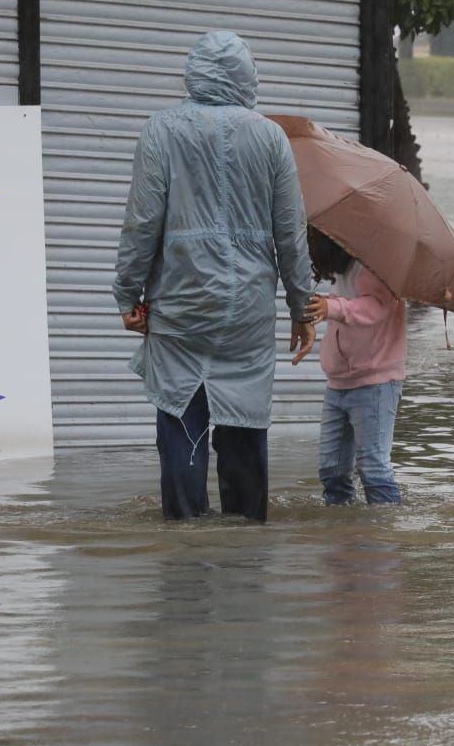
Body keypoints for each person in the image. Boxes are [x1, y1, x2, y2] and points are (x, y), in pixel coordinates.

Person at [112, 31, 317, 523]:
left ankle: (185, 552)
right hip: (246, 310)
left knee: (182, 422)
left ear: (193, 73)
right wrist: (302, 307)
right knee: (244, 427)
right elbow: (291, 232)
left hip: (181, 305)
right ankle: (246, 555)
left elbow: (142, 223)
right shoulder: (269, 137)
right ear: (248, 78)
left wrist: (127, 294)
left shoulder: (160, 131)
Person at [303, 229, 407, 505]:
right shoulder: (342, 270)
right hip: (339, 381)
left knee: (373, 467)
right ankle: (342, 530)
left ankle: (383, 533)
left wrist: (333, 308)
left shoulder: (375, 266)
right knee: (331, 468)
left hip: (375, 382)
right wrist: (324, 308)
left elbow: (378, 307)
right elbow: (344, 305)